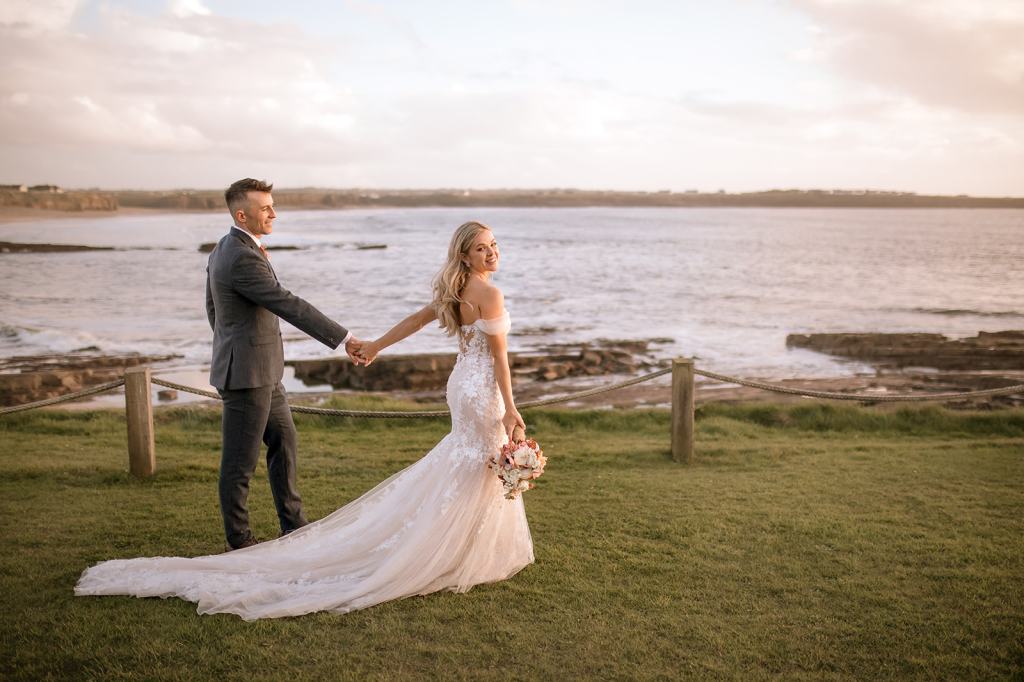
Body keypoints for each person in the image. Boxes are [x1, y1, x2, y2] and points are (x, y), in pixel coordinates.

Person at [75, 221, 534, 620]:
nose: (492, 252)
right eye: (482, 247)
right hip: (483, 389)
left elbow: (416, 320)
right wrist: (511, 408)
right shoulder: (489, 292)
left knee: (467, 461)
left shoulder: (455, 290)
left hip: (461, 386)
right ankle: (454, 552)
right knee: (479, 460)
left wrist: (374, 346)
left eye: (494, 244)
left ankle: (461, 545)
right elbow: (499, 358)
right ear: (465, 254)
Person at [208, 178, 363, 550]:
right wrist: (344, 339)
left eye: (272, 206)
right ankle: (239, 540)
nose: (274, 213)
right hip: (247, 376)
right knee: (239, 463)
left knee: (285, 442)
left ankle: (294, 525)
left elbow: (214, 310)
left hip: (263, 370)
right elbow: (286, 302)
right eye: (266, 208)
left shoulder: (227, 247)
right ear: (242, 214)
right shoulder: (241, 256)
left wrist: (233, 343)